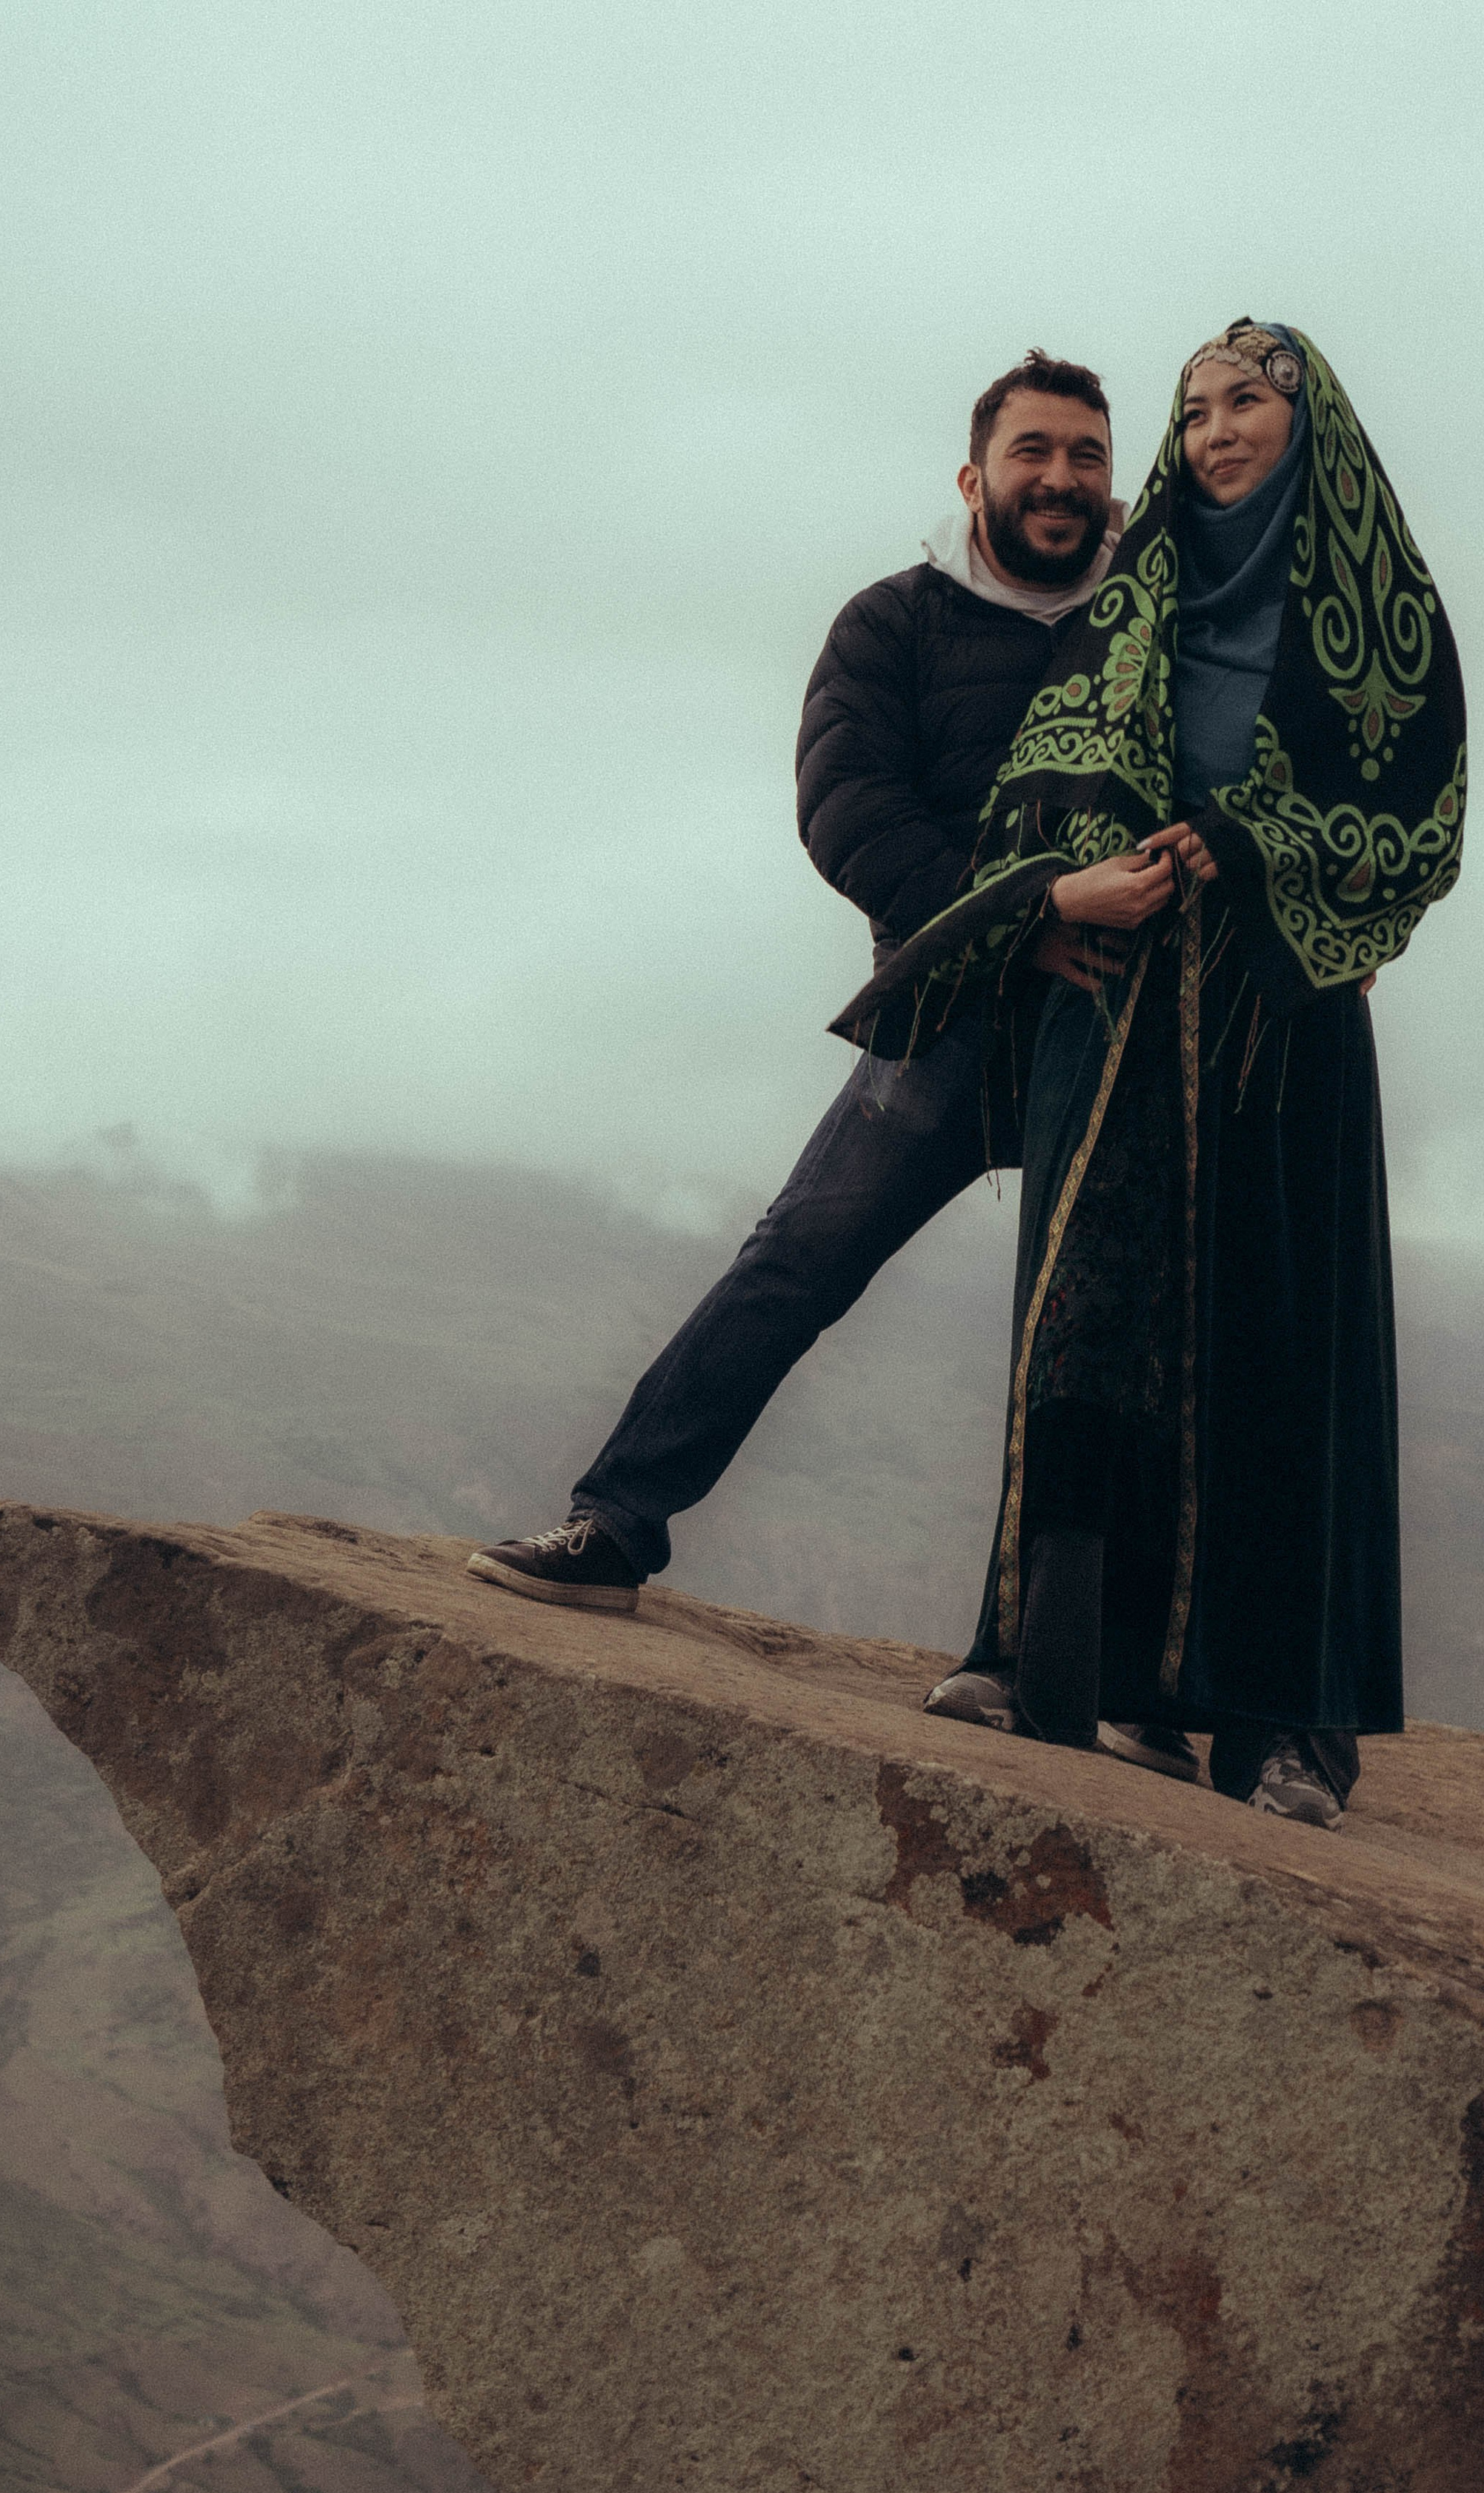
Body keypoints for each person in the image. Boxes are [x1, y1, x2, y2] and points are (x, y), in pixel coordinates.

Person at [468, 356, 1162, 1725]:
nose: (1063, 481)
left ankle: (1058, 1666)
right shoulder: (892, 625)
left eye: (1088, 456)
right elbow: (848, 813)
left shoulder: (1161, 629)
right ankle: (613, 1527)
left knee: (1097, 1352)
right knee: (795, 1265)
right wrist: (1022, 917)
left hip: (1117, 1031)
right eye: (1034, 453)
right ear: (975, 479)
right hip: (953, 1017)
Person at [841, 320, 1466, 1828]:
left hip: (1274, 1016)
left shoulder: (1381, 612)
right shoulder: (1140, 588)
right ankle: (1040, 1661)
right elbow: (1034, 784)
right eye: (1192, 411)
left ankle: (1275, 1732)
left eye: (1242, 402)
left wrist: (1258, 852)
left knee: (1269, 1356)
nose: (1212, 433)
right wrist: (1069, 883)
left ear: (1307, 418)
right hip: (1114, 999)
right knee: (1081, 1324)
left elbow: (1417, 826)